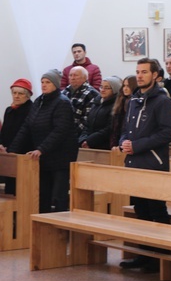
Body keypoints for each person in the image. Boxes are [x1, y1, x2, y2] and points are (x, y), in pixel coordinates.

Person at [118, 58, 171, 273]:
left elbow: (166, 133)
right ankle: (144, 254)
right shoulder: (134, 100)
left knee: (156, 210)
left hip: (153, 163)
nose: (139, 75)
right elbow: (126, 128)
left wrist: (137, 145)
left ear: (155, 75)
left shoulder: (162, 101)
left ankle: (161, 257)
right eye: (137, 72)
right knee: (140, 209)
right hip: (135, 163)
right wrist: (123, 141)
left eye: (144, 72)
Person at [4, 71, 77, 213]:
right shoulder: (39, 101)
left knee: (58, 197)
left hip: (60, 158)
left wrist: (41, 149)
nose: (44, 85)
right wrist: (12, 150)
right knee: (43, 195)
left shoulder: (62, 102)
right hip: (43, 158)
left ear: (55, 84)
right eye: (42, 82)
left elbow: (60, 131)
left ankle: (60, 231)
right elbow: (26, 127)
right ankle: (44, 230)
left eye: (47, 82)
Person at [0, 79, 34, 195]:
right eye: (14, 93)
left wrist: (12, 150)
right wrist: (2, 145)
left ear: (28, 96)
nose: (16, 96)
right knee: (10, 187)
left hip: (23, 153)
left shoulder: (32, 110)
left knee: (21, 189)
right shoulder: (9, 110)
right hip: (8, 152)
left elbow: (26, 134)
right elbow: (4, 131)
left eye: (20, 93)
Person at [79, 76, 121, 150]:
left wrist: (89, 141)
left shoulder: (116, 106)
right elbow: (87, 124)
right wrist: (83, 139)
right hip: (89, 145)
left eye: (107, 88)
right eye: (101, 87)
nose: (102, 90)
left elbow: (109, 129)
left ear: (115, 90)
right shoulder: (96, 103)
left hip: (104, 146)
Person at [62, 66, 101, 137]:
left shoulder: (92, 94)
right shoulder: (64, 92)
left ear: (85, 78)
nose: (72, 78)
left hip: (77, 135)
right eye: (70, 75)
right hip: (61, 132)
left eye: (76, 75)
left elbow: (87, 120)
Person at [110, 75, 136, 148]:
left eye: (128, 86)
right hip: (119, 140)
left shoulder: (134, 103)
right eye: (124, 86)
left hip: (128, 142)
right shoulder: (120, 102)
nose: (125, 88)